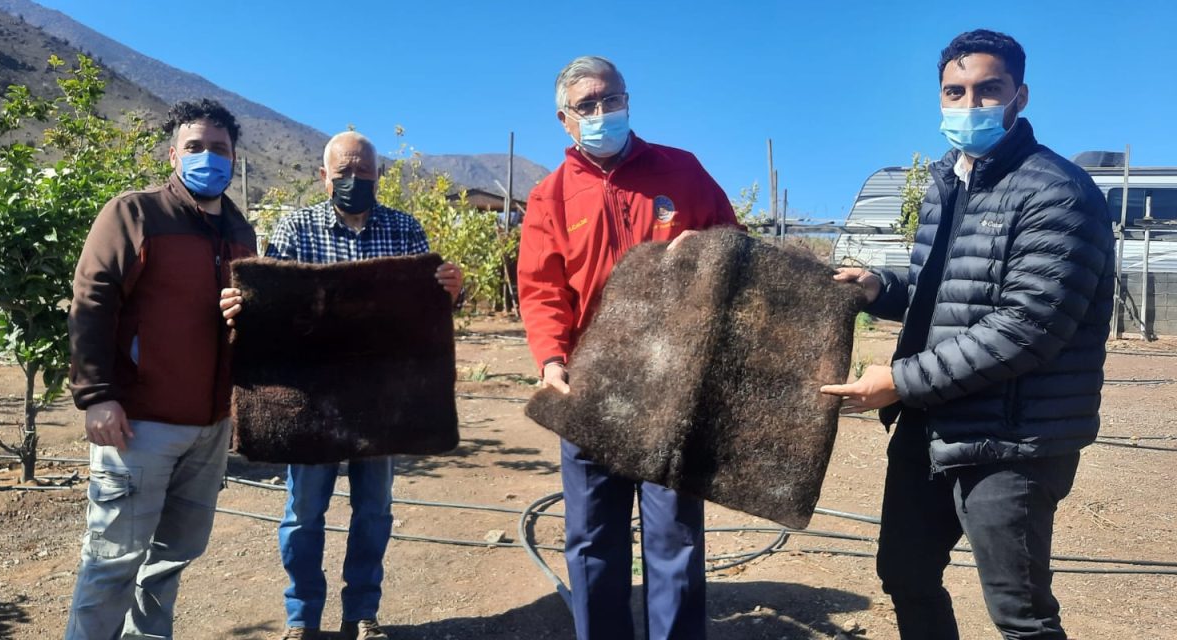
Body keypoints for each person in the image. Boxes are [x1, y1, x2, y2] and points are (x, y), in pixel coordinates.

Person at [820, 30, 1114, 640]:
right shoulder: (951, 183)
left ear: (1020, 96)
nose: (970, 104)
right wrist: (882, 286)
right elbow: (952, 290)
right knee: (904, 574)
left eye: (989, 90)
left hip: (1011, 437)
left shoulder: (1056, 191)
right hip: (934, 421)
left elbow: (1027, 327)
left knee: (1020, 613)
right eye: (955, 92)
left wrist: (898, 380)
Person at [516, 55, 740, 640]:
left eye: (610, 99)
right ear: (565, 119)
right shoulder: (550, 197)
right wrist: (551, 358)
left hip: (672, 381)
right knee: (592, 541)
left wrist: (709, 251)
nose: (601, 112)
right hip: (590, 384)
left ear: (627, 100)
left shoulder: (682, 171)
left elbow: (735, 246)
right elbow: (541, 290)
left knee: (676, 538)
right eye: (586, 106)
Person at [220, 131, 463, 640]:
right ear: (324, 175)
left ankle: (362, 614)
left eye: (365, 170)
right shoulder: (295, 227)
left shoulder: (404, 230)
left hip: (381, 399)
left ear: (378, 174)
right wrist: (245, 309)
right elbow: (273, 308)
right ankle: (301, 617)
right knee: (304, 512)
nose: (355, 179)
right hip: (311, 400)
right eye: (345, 171)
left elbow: (427, 310)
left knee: (374, 511)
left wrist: (451, 292)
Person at [64, 99, 257, 639]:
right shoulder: (136, 213)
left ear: (234, 157)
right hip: (138, 423)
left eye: (219, 149)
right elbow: (92, 301)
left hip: (210, 427)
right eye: (195, 147)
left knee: (171, 561)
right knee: (112, 562)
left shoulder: (242, 231)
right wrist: (97, 395)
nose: (207, 158)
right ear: (174, 153)